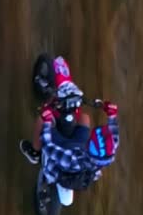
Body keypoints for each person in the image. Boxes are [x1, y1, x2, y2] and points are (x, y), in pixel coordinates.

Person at [20, 56, 118, 201]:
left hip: (66, 156)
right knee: (85, 118)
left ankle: (34, 153)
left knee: (41, 120)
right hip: (81, 151)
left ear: (92, 146)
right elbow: (114, 136)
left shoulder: (70, 159)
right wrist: (111, 114)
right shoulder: (107, 156)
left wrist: (47, 122)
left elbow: (48, 145)